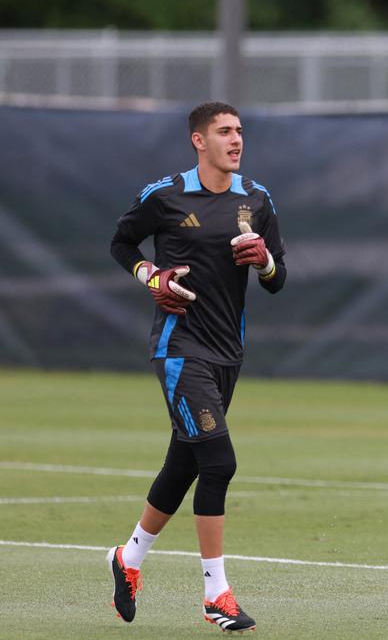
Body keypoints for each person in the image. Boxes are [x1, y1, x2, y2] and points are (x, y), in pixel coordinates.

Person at [106, 102, 286, 630]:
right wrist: (149, 276)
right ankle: (216, 594)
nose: (236, 140)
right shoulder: (165, 195)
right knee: (219, 463)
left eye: (239, 131)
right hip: (179, 349)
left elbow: (278, 279)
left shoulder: (257, 199)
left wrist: (265, 261)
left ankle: (128, 558)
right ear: (198, 140)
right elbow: (122, 242)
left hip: (228, 351)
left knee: (183, 466)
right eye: (224, 132)